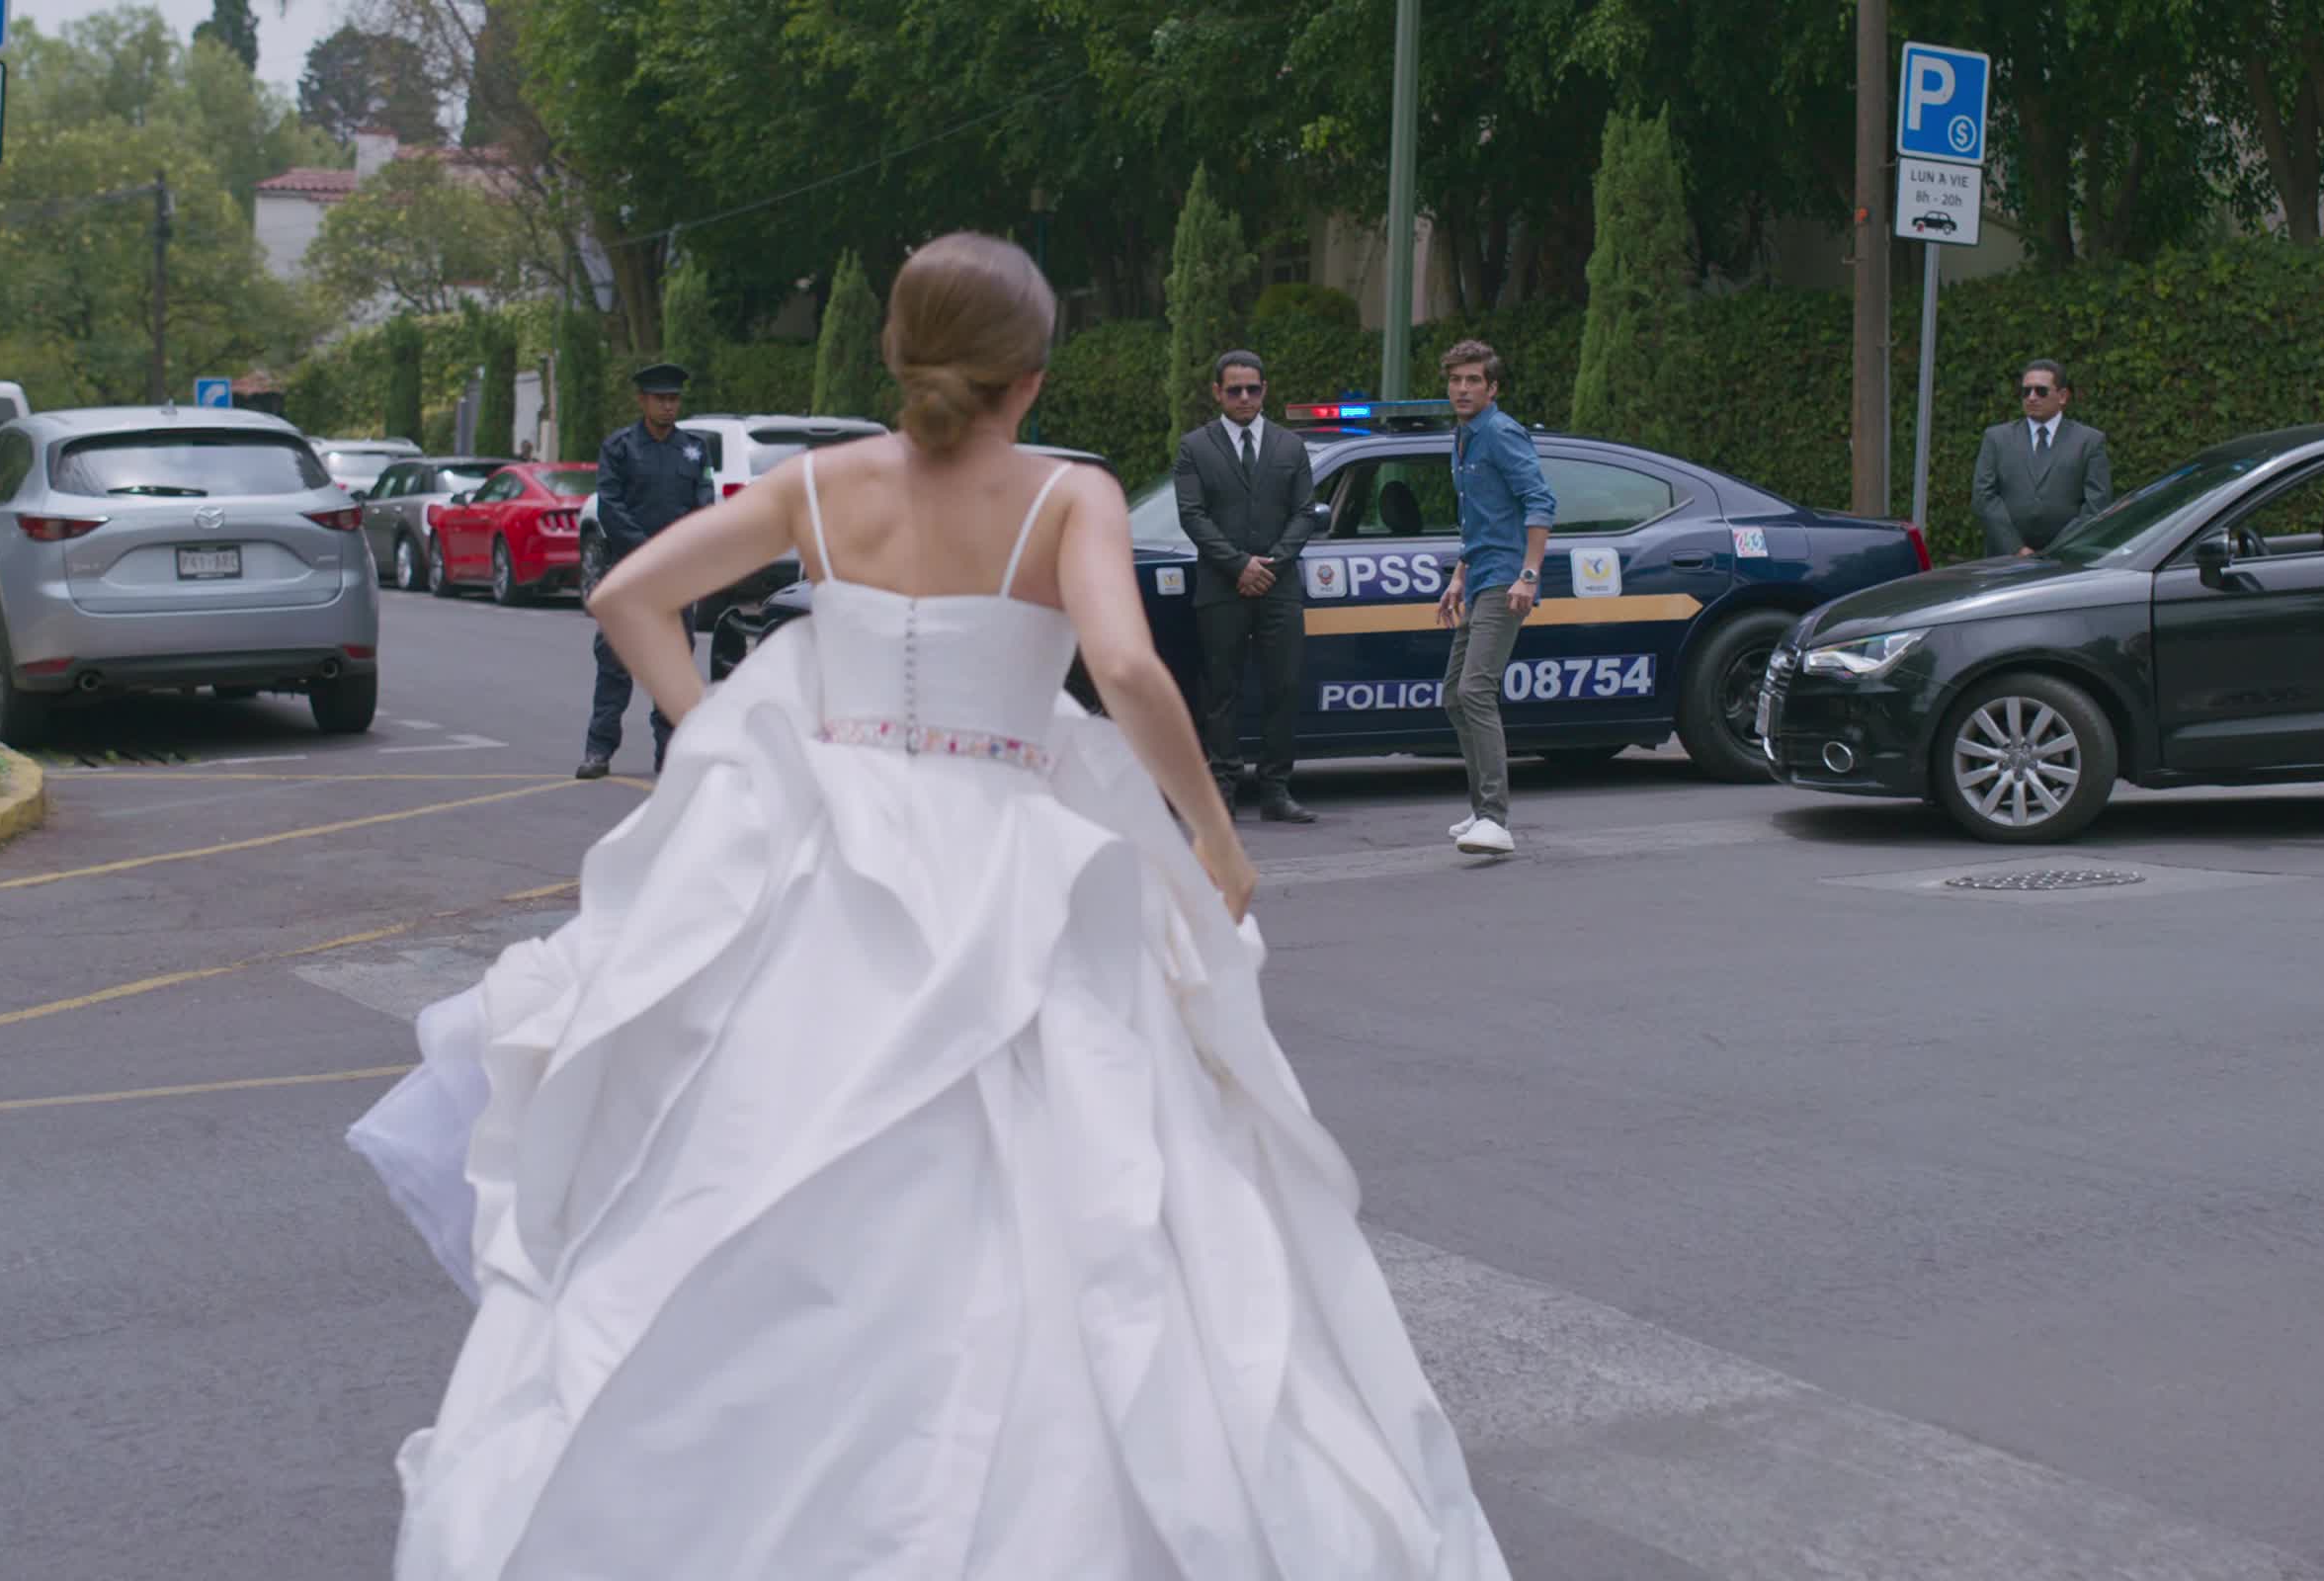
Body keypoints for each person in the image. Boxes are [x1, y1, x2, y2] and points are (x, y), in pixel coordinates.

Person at [346, 233, 1513, 1581]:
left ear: (897, 357)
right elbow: (1128, 671)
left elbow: (627, 594)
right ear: (1032, 376)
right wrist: (1210, 831)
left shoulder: (819, 482)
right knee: (1071, 1185)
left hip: (822, 857)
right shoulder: (1066, 493)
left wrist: (723, 737)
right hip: (1009, 858)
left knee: (747, 1155)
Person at [1173, 349, 1321, 823]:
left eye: (1252, 389)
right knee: (1222, 691)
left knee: (1284, 686)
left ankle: (1276, 790)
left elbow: (1304, 513)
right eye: (1234, 389)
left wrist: (1271, 564)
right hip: (1222, 586)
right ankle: (1222, 791)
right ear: (1217, 392)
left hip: (1279, 585)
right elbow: (1192, 515)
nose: (1244, 397)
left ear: (1264, 390)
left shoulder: (1289, 446)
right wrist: (1239, 565)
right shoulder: (1195, 447)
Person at [1428, 339, 1552, 857]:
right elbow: (1480, 520)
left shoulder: (1500, 433)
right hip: (1480, 576)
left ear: (1492, 387)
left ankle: (1496, 820)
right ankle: (1482, 809)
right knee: (1454, 695)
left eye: (1473, 380)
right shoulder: (1463, 437)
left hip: (1505, 579)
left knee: (1476, 691)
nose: (1462, 388)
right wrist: (1458, 575)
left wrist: (1529, 575)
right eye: (1455, 379)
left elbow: (1540, 502)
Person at [579, 362, 711, 778]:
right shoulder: (619, 448)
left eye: (674, 399)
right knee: (614, 660)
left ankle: (669, 753)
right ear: (642, 400)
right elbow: (610, 507)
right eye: (660, 399)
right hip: (630, 571)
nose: (668, 406)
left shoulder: (694, 450)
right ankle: (599, 750)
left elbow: (704, 503)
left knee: (672, 664)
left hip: (673, 575)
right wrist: (649, 548)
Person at [1969, 358, 2112, 557]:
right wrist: (2015, 548)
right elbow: (1984, 497)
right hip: (2005, 559)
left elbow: (2096, 504)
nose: (2031, 397)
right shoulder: (1997, 438)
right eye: (2026, 391)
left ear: (2062, 396)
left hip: (2067, 561)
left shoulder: (2089, 441)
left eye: (2041, 391)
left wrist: (2057, 551)